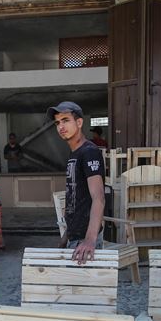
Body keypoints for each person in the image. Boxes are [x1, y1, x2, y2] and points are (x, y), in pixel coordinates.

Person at [47, 101, 105, 264]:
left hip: (85, 242)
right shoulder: (75, 153)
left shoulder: (89, 152)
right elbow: (75, 200)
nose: (61, 126)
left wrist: (90, 240)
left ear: (79, 122)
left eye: (66, 120)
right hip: (75, 238)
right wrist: (66, 236)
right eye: (57, 122)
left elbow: (99, 198)